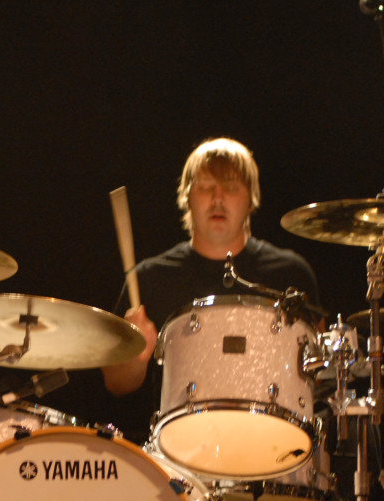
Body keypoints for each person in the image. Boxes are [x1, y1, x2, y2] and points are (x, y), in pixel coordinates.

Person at [101, 137, 321, 441]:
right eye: (205, 186)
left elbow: (321, 372)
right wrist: (135, 355)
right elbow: (116, 384)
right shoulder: (149, 278)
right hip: (179, 450)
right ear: (187, 197)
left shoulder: (291, 274)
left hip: (275, 443)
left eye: (230, 186)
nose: (217, 198)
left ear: (251, 198)